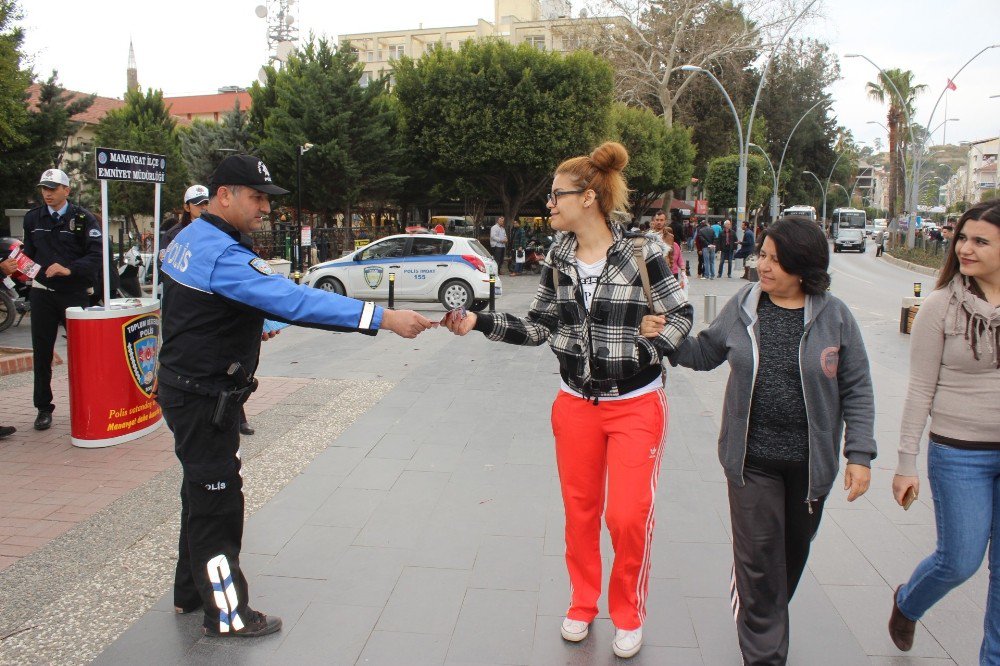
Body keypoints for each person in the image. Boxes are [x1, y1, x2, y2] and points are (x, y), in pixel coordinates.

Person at [158, 154, 433, 639]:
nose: (265, 207)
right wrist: (383, 318)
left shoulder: (192, 238)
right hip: (205, 397)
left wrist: (251, 323)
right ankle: (226, 612)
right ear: (224, 195)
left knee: (198, 490)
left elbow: (206, 304)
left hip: (186, 388)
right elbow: (297, 300)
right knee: (217, 501)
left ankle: (189, 592)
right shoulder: (224, 254)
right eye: (257, 196)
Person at [443, 142, 692, 659]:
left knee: (626, 515)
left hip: (636, 403)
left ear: (590, 197)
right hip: (574, 403)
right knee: (580, 513)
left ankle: (629, 613)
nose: (548, 204)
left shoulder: (642, 252)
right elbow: (537, 327)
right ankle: (583, 603)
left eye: (557, 195)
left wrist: (649, 344)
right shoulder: (557, 257)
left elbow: (683, 316)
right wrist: (480, 321)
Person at [643, 217, 876, 663]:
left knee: (789, 557)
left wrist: (859, 455)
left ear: (803, 267)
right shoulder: (746, 305)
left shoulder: (835, 317)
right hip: (752, 461)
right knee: (761, 561)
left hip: (810, 466)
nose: (762, 266)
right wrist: (667, 340)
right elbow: (705, 353)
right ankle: (764, 650)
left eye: (774, 258)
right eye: (762, 254)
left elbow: (857, 387)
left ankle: (756, 599)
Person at [888, 200, 1000, 662]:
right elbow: (919, 390)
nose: (965, 248)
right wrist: (905, 462)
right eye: (963, 238)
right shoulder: (940, 307)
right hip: (960, 455)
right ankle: (907, 602)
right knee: (959, 560)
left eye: (980, 240)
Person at [11, 169, 102, 431]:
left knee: (83, 354)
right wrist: (17, 266)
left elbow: (95, 256)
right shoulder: (33, 218)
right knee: (42, 354)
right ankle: (43, 408)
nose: (47, 193)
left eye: (53, 188)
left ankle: (89, 403)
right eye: (44, 188)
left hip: (73, 294)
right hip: (42, 294)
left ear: (67, 190)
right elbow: (27, 254)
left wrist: (69, 269)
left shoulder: (83, 218)